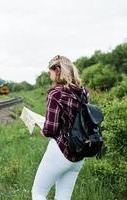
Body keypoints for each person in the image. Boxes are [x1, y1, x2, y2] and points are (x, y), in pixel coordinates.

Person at [31, 55, 89, 200]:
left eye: (50, 71)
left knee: (38, 193)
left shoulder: (55, 93)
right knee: (63, 197)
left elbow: (51, 129)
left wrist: (43, 131)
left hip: (61, 151)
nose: (49, 75)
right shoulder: (83, 92)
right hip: (79, 154)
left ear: (57, 70)